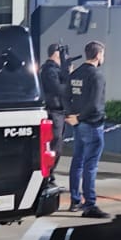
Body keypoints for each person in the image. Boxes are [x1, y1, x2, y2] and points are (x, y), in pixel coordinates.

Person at [65, 41, 109, 219]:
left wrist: (71, 116)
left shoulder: (75, 74)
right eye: (103, 54)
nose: (103, 57)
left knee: (77, 162)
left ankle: (75, 200)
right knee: (90, 165)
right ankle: (89, 203)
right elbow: (95, 104)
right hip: (91, 124)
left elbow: (65, 97)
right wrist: (80, 117)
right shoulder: (97, 75)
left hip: (78, 124)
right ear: (98, 55)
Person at [39, 43, 71, 184]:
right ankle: (47, 175)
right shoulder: (49, 70)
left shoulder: (54, 70)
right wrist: (67, 76)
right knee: (55, 145)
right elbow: (59, 89)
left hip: (59, 112)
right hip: (54, 111)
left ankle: (49, 174)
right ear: (56, 54)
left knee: (57, 145)